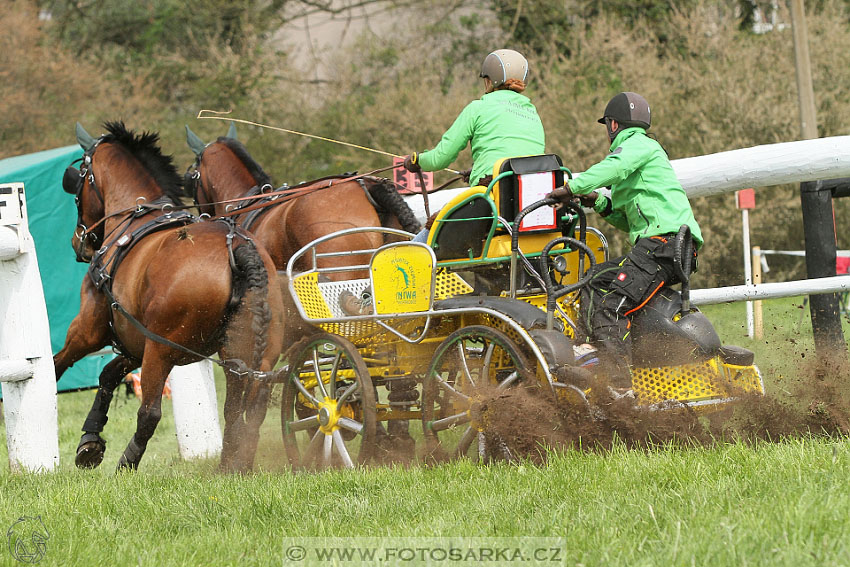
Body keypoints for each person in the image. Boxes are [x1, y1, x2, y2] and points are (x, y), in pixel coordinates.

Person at [548, 92, 704, 387]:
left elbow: (614, 167)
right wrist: (598, 202)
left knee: (611, 306)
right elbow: (630, 221)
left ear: (613, 124)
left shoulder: (637, 146)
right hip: (668, 246)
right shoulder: (643, 153)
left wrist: (570, 188)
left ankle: (618, 385)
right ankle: (589, 349)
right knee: (595, 278)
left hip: (663, 245)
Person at [404, 49, 545, 241]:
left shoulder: (477, 108)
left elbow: (440, 159)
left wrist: (417, 160)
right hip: (528, 203)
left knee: (420, 243)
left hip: (490, 202)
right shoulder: (532, 113)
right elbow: (518, 156)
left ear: (489, 81)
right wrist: (477, 170)